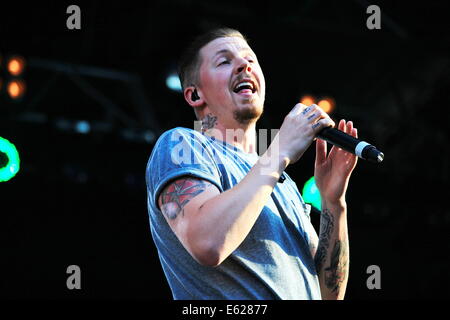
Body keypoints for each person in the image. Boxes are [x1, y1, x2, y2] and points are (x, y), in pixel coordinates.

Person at [145, 28, 358, 300]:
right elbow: (208, 244)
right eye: (224, 61)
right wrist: (279, 150)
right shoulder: (181, 145)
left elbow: (329, 294)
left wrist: (333, 203)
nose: (244, 65)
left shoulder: (281, 183)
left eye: (250, 59)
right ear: (195, 95)